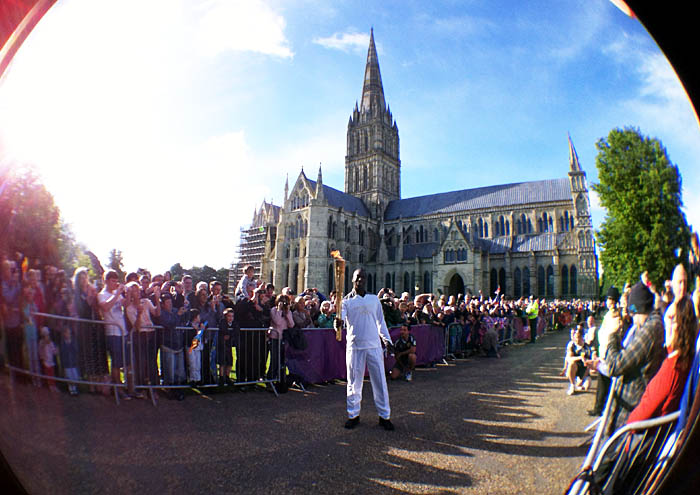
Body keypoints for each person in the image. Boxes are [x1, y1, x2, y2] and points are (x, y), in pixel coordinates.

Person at [589, 282, 666, 436]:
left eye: (633, 314)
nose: (633, 319)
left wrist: (612, 337)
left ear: (638, 309)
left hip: (629, 409)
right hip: (630, 405)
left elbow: (615, 366)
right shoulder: (650, 325)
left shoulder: (650, 329)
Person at [334, 268, 395, 431]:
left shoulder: (374, 299)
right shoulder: (346, 301)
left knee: (380, 381)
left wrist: (387, 340)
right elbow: (341, 320)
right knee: (354, 382)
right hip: (355, 347)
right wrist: (337, 324)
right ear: (352, 279)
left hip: (374, 346)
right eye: (357, 277)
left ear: (366, 280)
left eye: (362, 277)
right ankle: (353, 415)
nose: (360, 280)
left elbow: (381, 322)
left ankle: (384, 416)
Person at [627, 296, 697, 424]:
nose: (666, 324)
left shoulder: (672, 368)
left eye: (671, 319)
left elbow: (639, 417)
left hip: (645, 432)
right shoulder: (688, 360)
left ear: (681, 326)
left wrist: (625, 425)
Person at [97, 270, 132, 400]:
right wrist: (117, 293)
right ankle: (118, 389)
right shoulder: (102, 295)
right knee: (116, 363)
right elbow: (105, 308)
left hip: (123, 332)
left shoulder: (115, 293)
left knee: (127, 362)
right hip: (112, 333)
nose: (115, 284)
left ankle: (129, 388)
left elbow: (126, 305)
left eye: (116, 281)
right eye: (113, 281)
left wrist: (128, 294)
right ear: (106, 281)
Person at [588, 287, 621, 416]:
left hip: (609, 353)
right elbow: (602, 333)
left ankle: (603, 408)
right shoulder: (608, 315)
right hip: (603, 351)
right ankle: (599, 407)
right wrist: (596, 350)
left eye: (611, 299)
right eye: (608, 299)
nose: (609, 302)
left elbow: (611, 336)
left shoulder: (617, 317)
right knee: (602, 383)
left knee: (607, 382)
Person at [564, 325, 592, 395]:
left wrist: (582, 380)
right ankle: (572, 385)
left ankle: (580, 380)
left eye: (578, 337)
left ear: (582, 337)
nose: (576, 339)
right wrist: (580, 357)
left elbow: (588, 366)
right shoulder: (572, 346)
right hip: (575, 366)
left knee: (587, 386)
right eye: (575, 337)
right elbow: (569, 358)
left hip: (584, 369)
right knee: (571, 363)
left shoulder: (587, 348)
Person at [218, 308, 239, 387]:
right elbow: (223, 330)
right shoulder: (222, 322)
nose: (230, 318)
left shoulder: (234, 323)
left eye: (232, 316)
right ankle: (221, 377)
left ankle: (227, 376)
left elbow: (236, 330)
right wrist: (227, 334)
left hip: (229, 344)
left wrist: (230, 335)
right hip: (222, 344)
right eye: (229, 316)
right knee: (222, 361)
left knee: (230, 361)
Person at [59, 326, 80, 396]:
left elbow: (76, 350)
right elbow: (63, 351)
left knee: (75, 376)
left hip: (73, 362)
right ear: (64, 334)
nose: (68, 335)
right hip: (67, 362)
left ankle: (75, 388)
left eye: (69, 333)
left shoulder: (73, 341)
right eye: (67, 333)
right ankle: (71, 390)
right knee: (69, 376)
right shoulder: (63, 342)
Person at [38, 326, 58, 392]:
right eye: (45, 335)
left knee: (52, 373)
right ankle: (50, 385)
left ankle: (54, 385)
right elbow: (40, 351)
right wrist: (42, 358)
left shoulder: (51, 343)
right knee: (48, 373)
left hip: (51, 361)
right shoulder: (41, 343)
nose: (47, 337)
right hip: (45, 361)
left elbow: (54, 351)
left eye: (47, 335)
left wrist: (56, 351)